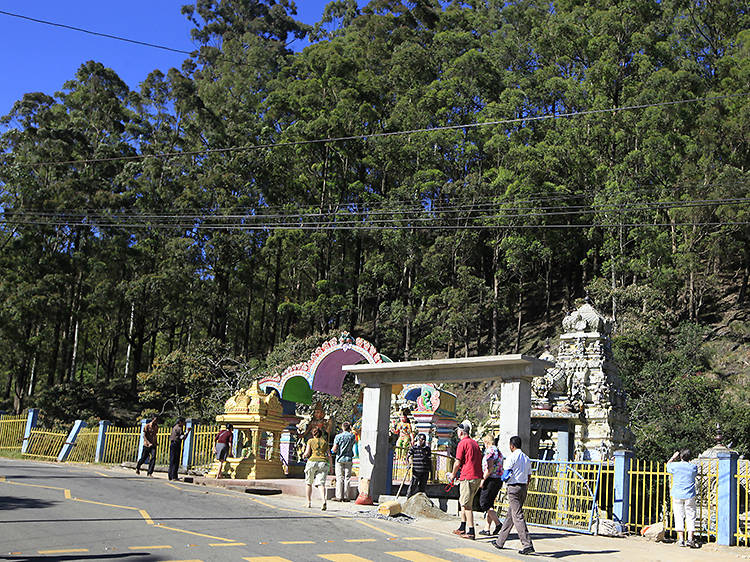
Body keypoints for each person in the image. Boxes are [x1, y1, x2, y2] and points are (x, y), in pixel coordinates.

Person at [494, 435, 534, 555]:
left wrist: (503, 478)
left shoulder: (511, 457)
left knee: (517, 516)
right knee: (510, 516)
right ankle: (500, 541)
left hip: (513, 488)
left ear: (512, 446)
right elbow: (529, 476)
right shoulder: (526, 458)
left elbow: (505, 474)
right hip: (523, 487)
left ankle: (527, 544)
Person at [451, 421, 483, 540]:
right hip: (477, 477)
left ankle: (471, 530)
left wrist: (453, 475)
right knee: (463, 501)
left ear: (461, 432)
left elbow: (457, 462)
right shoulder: (475, 443)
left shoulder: (462, 443)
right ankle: (462, 526)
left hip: (467, 477)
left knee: (467, 505)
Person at [667, 448, 699, 548]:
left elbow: (667, 465)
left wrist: (673, 457)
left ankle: (681, 539)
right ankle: (690, 538)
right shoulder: (693, 467)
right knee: (691, 516)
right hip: (689, 495)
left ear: (680, 456)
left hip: (677, 494)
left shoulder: (675, 466)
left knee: (679, 516)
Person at [478, 434, 504, 536]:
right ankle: (487, 528)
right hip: (498, 480)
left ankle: (498, 524)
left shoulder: (490, 451)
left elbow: (489, 468)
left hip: (491, 479)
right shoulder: (498, 451)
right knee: (490, 503)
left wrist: (482, 480)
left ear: (487, 442)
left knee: (484, 503)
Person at [303, 427, 332, 510]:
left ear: (313, 434)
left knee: (309, 482)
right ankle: (323, 500)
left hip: (312, 462)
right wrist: (330, 467)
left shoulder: (310, 441)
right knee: (321, 484)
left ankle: (308, 502)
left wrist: (304, 455)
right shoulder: (325, 442)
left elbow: (307, 453)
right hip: (323, 462)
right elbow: (329, 455)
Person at [331, 421, 356, 501]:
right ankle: (346, 496)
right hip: (348, 458)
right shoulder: (352, 436)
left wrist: (332, 451)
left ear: (342, 427)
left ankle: (339, 496)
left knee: (339, 478)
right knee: (347, 478)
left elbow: (334, 449)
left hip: (339, 459)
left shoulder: (338, 436)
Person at [407, 432, 432, 497]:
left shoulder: (427, 449)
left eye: (424, 440)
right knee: (413, 487)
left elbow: (429, 460)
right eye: (421, 439)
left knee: (422, 488)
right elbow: (409, 456)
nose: (423, 441)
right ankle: (408, 499)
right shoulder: (414, 448)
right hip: (416, 471)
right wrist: (409, 460)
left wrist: (431, 471)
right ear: (418, 440)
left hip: (425, 471)